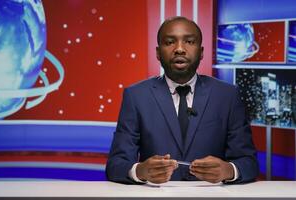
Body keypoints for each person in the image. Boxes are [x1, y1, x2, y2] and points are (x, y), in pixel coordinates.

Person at [105, 16, 259, 184]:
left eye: (189, 42)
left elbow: (249, 163)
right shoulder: (136, 96)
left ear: (201, 53)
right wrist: (140, 171)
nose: (179, 49)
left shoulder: (228, 95)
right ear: (158, 52)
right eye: (170, 42)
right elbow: (115, 165)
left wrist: (229, 170)